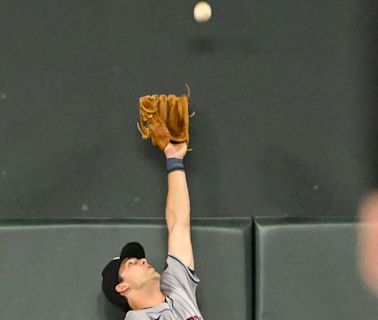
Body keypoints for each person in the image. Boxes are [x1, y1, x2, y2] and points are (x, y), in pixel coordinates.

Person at [101, 142, 203, 320]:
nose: (142, 261)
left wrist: (174, 159)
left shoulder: (176, 289)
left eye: (137, 259)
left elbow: (179, 224)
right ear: (122, 287)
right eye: (130, 263)